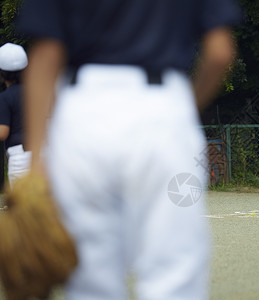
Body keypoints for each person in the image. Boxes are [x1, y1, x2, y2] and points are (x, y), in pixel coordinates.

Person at [17, 0, 240, 299]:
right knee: (173, 273)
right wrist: (182, 109)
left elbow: (46, 54)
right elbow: (219, 52)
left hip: (83, 112)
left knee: (88, 279)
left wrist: (35, 163)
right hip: (161, 109)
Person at [0, 43, 31, 186]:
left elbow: (3, 132)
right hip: (43, 152)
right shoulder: (36, 92)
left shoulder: (5, 97)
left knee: (22, 207)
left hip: (19, 158)